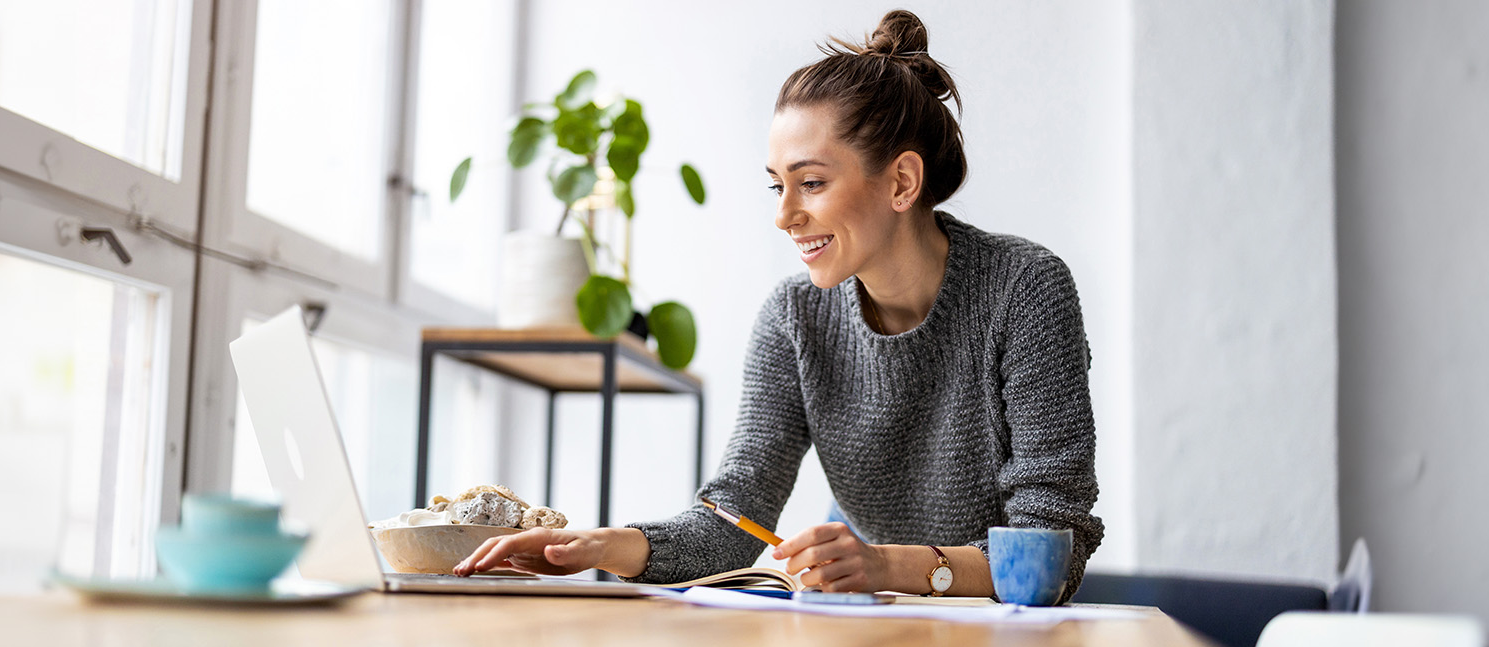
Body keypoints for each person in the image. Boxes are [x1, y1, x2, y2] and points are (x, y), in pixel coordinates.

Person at [455, 9, 1103, 601]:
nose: (785, 216)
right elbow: (736, 519)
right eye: (777, 186)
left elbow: (1052, 549)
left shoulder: (1025, 289)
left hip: (1009, 642)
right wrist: (604, 547)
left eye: (811, 183)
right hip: (872, 625)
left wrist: (885, 566)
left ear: (902, 181)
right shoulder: (795, 318)